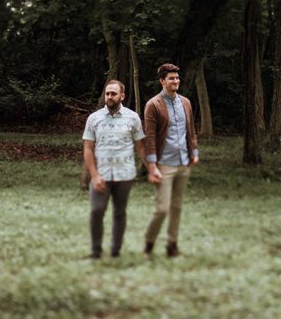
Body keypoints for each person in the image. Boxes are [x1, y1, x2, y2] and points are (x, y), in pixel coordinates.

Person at [82, 79, 146, 259]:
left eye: (113, 94)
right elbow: (88, 149)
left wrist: (152, 168)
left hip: (125, 174)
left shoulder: (133, 118)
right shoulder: (93, 119)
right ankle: (95, 252)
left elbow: (140, 146)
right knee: (96, 211)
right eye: (107, 93)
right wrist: (94, 176)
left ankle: (115, 251)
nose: (109, 97)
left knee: (119, 212)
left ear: (122, 96)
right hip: (100, 174)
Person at [142, 63, 199, 258]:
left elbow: (190, 130)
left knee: (177, 208)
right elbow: (149, 138)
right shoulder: (153, 105)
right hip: (163, 165)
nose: (176, 81)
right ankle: (148, 244)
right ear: (162, 81)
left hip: (183, 163)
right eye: (171, 78)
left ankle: (171, 246)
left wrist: (195, 151)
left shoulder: (186, 103)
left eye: (177, 78)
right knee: (162, 209)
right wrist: (151, 167)